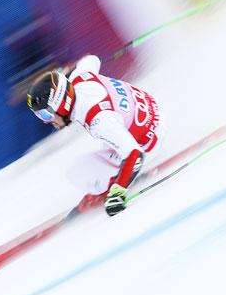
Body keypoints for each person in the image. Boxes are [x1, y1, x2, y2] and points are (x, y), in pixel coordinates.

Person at [26, 54, 163, 216]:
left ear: (62, 105)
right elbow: (92, 60)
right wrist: (66, 72)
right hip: (153, 117)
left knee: (77, 172)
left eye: (45, 115)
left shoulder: (99, 119)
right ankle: (117, 179)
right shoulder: (79, 77)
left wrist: (118, 194)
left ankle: (110, 188)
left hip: (147, 144)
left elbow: (134, 154)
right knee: (111, 138)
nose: (45, 121)